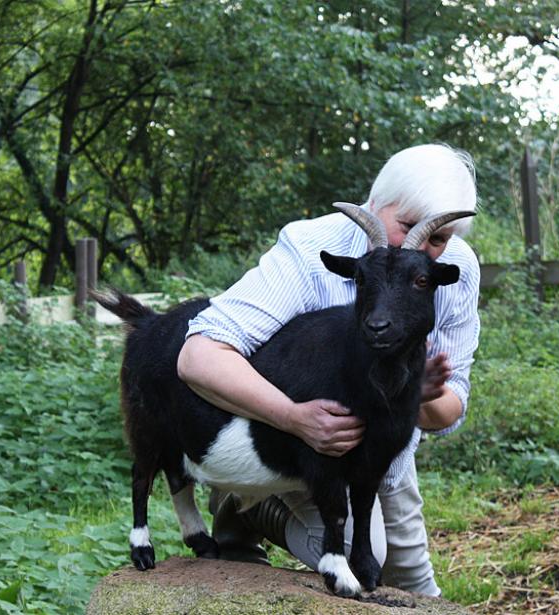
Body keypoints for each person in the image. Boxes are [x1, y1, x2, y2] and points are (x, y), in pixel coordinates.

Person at [177, 143, 480, 596]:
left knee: (413, 582)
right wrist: (293, 417)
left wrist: (416, 394)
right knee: (359, 554)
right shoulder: (309, 248)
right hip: (296, 446)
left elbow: (451, 407)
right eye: (406, 227)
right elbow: (198, 355)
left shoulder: (457, 268)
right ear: (374, 204)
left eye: (436, 239)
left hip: (383, 450)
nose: (418, 247)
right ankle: (247, 502)